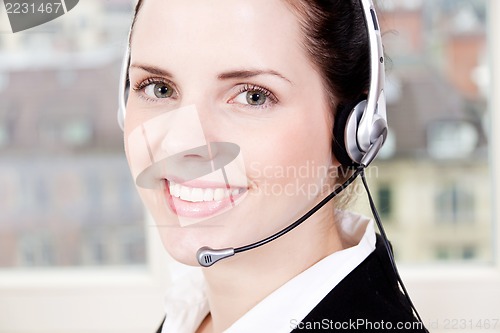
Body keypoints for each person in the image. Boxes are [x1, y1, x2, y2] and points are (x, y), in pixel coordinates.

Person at [120, 0, 429, 332]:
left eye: (253, 96)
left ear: (354, 128)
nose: (179, 144)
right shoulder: (189, 311)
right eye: (158, 88)